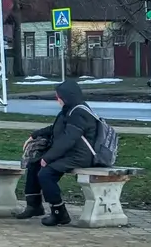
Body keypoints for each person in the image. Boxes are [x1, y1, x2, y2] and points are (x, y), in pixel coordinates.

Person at [18, 79, 97, 227]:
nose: (57, 99)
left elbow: (69, 138)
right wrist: (35, 134)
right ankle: (34, 206)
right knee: (34, 164)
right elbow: (56, 129)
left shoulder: (79, 112)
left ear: (67, 96)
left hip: (81, 156)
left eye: (58, 96)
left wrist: (48, 158)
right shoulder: (69, 109)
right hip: (70, 153)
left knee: (46, 174)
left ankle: (59, 212)